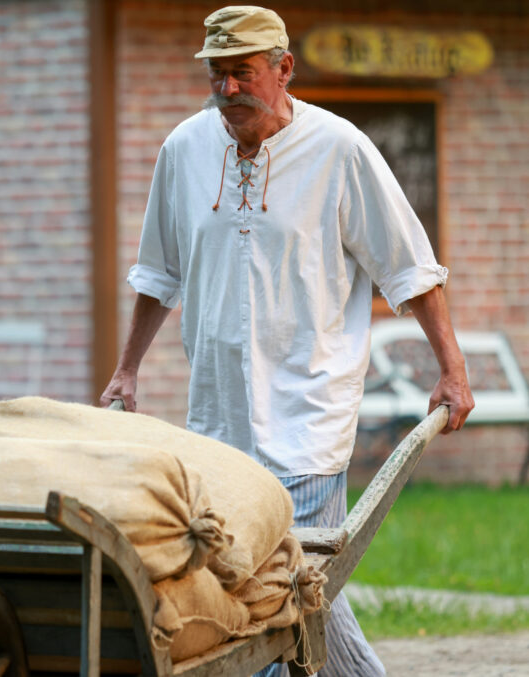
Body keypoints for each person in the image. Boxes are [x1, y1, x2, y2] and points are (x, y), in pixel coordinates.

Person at [98, 7, 475, 676]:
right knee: (301, 592)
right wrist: (127, 369)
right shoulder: (183, 151)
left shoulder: (339, 150)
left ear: (284, 68)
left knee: (266, 598)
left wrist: (452, 369)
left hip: (308, 416)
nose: (228, 90)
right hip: (218, 423)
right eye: (217, 74)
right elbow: (158, 274)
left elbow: (409, 268)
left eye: (243, 73)